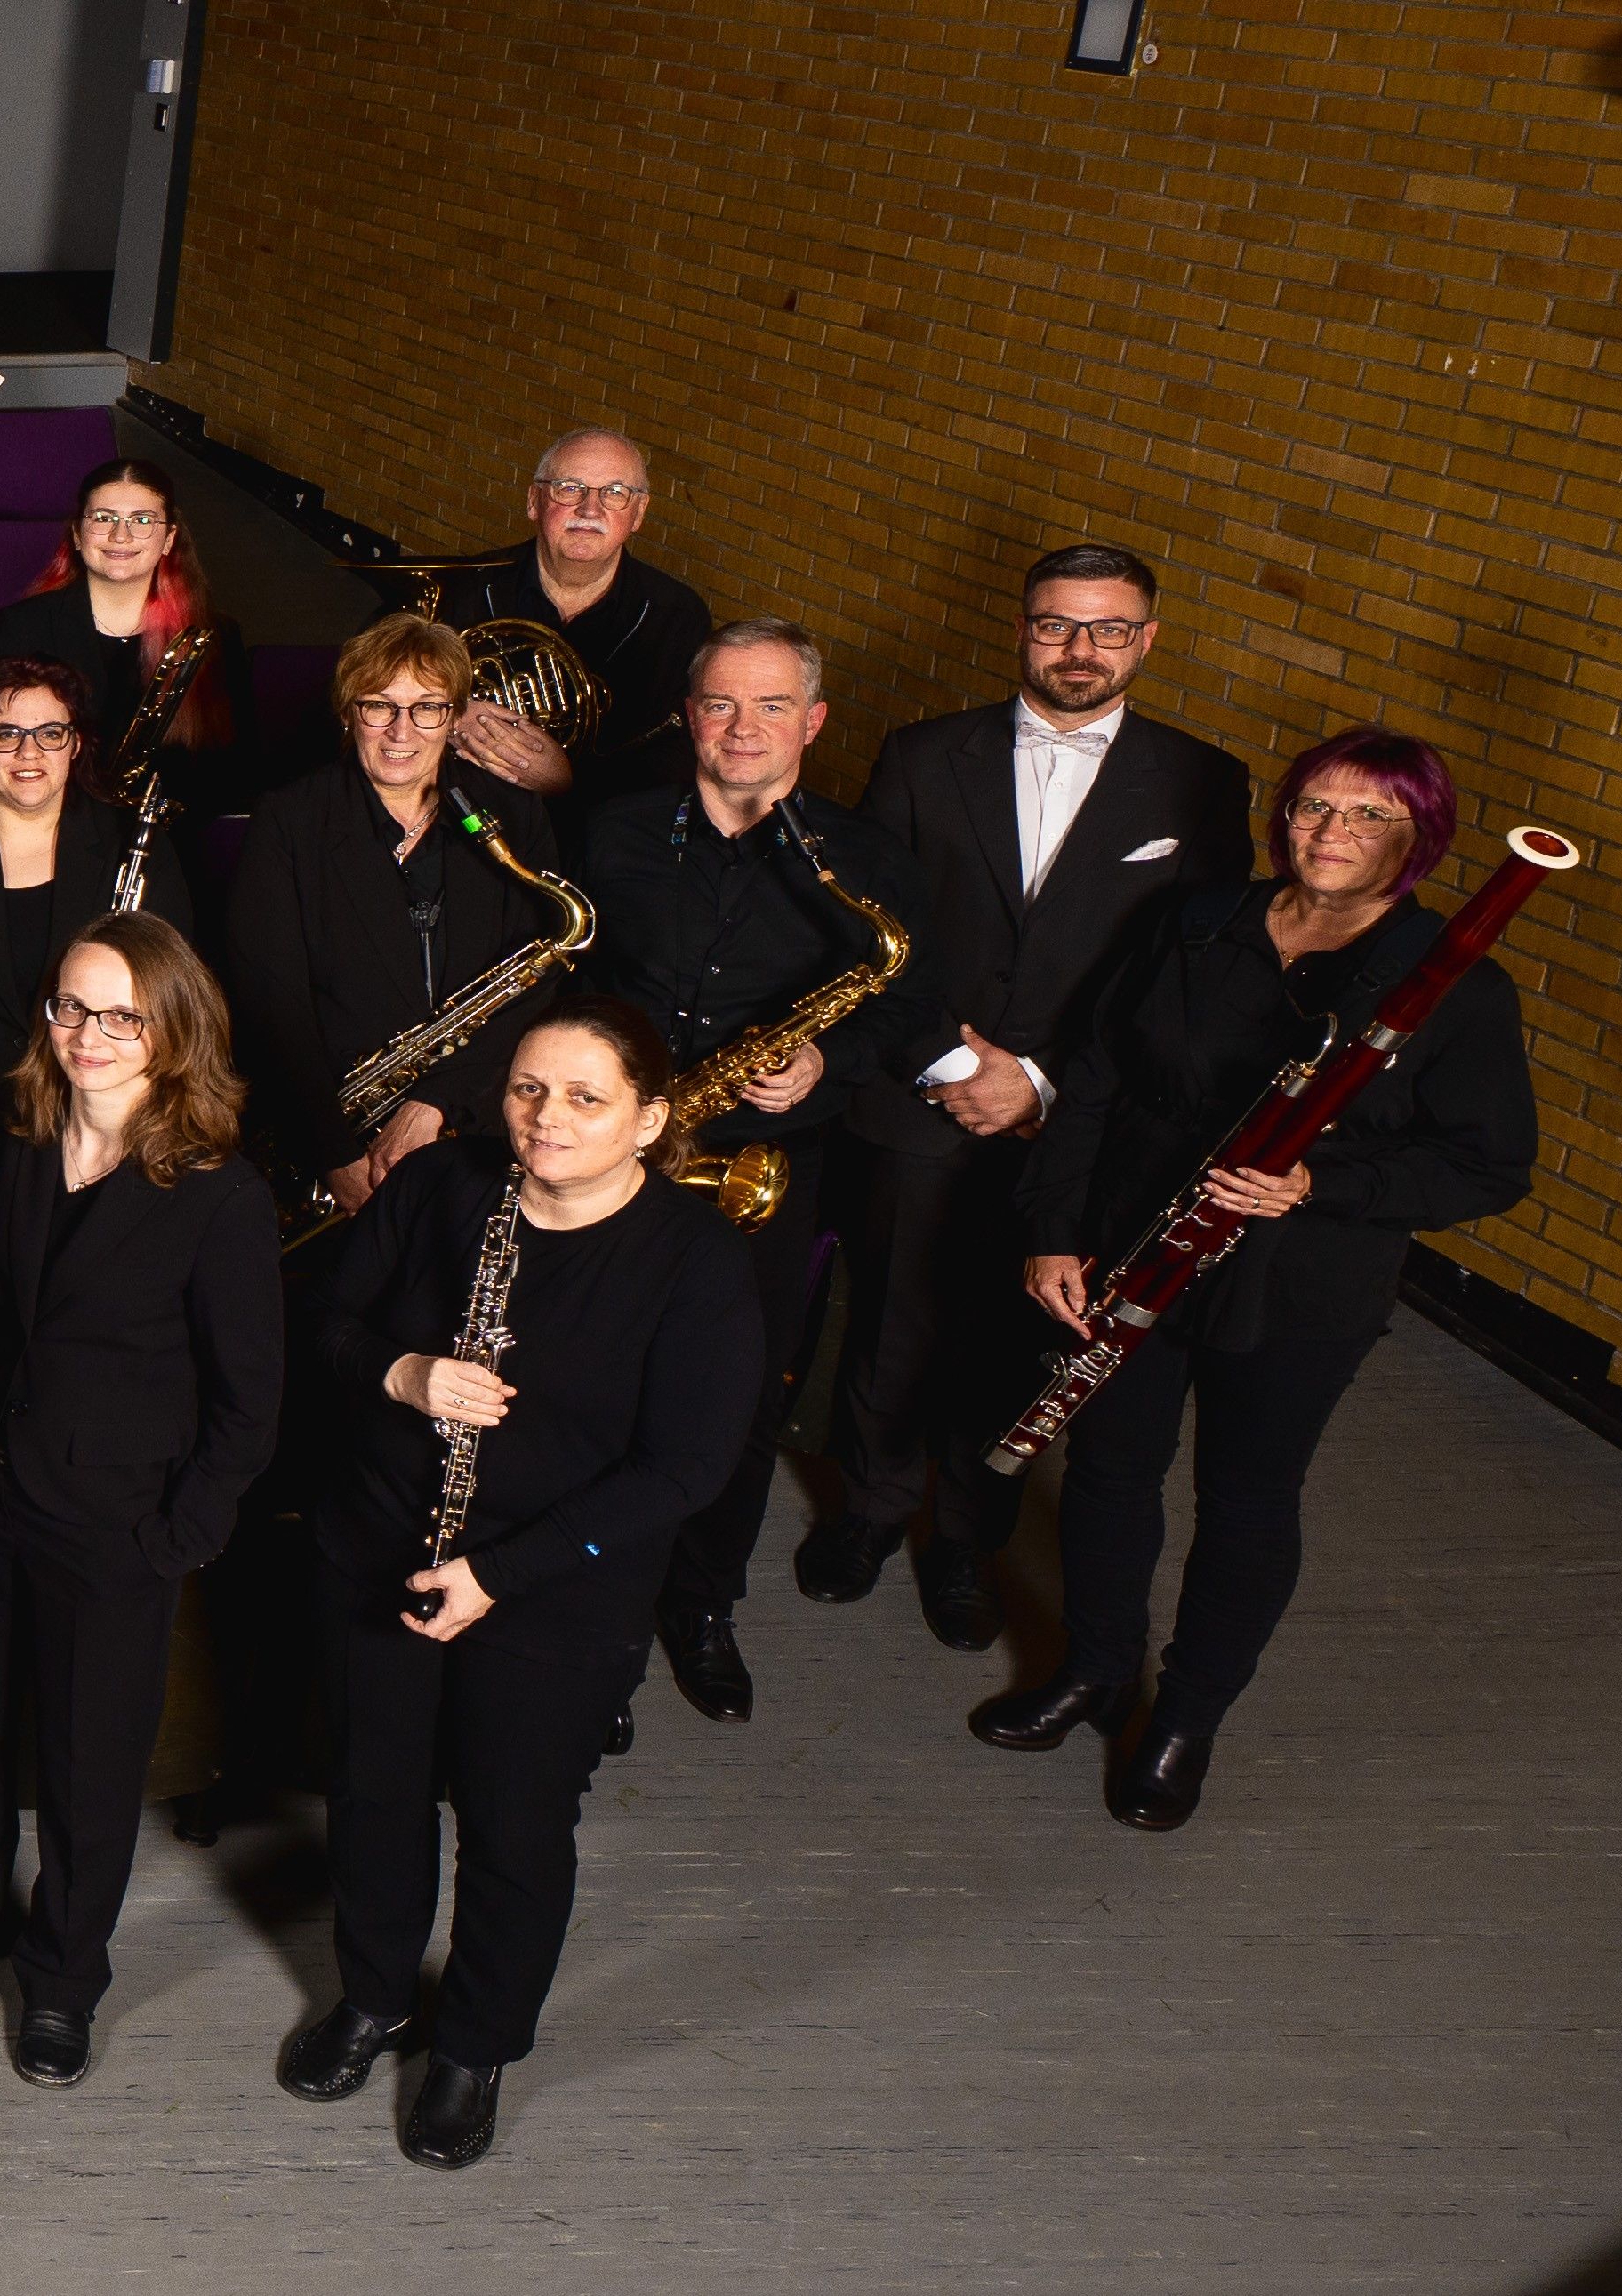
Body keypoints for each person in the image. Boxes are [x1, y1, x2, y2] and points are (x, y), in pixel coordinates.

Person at [982, 729, 1534, 1829]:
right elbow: (1096, 1078)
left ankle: (1185, 1718)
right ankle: (1095, 1666)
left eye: (1368, 814)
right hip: (1136, 1245)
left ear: (1419, 839)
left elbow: (1486, 1166)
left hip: (1299, 1286)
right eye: (1314, 805)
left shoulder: (1453, 986)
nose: (1330, 830)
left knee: (1246, 1498)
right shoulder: (1198, 920)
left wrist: (1319, 1180)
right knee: (1107, 1471)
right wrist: (1053, 1231)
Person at [285, 997, 763, 2170]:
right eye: (528, 1089)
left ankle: (474, 2045)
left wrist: (496, 1572)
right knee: (374, 1792)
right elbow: (322, 1316)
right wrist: (402, 1373)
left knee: (515, 1823)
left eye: (586, 1098)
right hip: (385, 1546)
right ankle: (375, 1994)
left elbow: (685, 1467)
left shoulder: (695, 1262)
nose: (547, 1118)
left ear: (648, 1120)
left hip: (553, 1589)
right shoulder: (441, 1186)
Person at [0, 910, 277, 2085]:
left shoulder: (221, 1194)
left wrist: (181, 1531)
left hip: (117, 1520)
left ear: (174, 1030)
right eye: (73, 1006)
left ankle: (63, 1976)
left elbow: (249, 1397)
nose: (90, 1033)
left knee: (91, 1760)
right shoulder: (12, 1137)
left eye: (123, 1015)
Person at [805, 543, 1251, 1650]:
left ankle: (967, 1537)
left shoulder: (1202, 782)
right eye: (1056, 624)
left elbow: (1186, 979)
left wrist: (1040, 1080)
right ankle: (868, 1509)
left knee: (1014, 1338)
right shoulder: (921, 753)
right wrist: (954, 1066)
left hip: (1078, 1116)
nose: (1079, 649)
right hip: (921, 1091)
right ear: (1020, 629)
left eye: (1108, 628)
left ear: (1146, 640)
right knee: (889, 1319)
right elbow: (868, 932)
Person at [567, 622, 927, 1728]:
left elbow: (906, 1012)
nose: (742, 727)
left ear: (811, 723)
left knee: (737, 1398)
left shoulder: (863, 861)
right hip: (606, 1155)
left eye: (771, 706)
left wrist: (825, 1061)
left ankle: (702, 1604)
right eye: (720, 704)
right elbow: (561, 977)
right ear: (689, 716)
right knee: (593, 1392)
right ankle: (592, 1625)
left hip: (759, 1169)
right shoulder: (613, 831)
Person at [221, 613, 574, 1244]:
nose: (401, 731)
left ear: (455, 715)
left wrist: (437, 1102)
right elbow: (270, 1004)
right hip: (330, 1141)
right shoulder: (291, 821)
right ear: (348, 712)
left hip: (476, 1124)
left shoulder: (513, 816)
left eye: (427, 708)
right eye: (379, 705)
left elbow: (534, 990)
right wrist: (335, 1154)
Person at [0, 657, 181, 1092]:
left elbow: (166, 994)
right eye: (7, 734)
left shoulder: (133, 843)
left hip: (91, 1095)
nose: (29, 752)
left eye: (50, 733)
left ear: (75, 744)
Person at [431, 429, 715, 830]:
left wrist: (569, 780)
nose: (590, 509)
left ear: (639, 513)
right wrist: (446, 710)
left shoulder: (679, 616)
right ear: (534, 501)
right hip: (455, 808)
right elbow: (371, 685)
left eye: (615, 493)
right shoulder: (461, 589)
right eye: (569, 488)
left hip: (599, 831)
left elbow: (680, 755)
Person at [0, 458, 230, 791]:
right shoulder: (20, 627)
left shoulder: (215, 636)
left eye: (142, 520)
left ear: (169, 539)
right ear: (77, 534)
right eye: (103, 518)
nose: (120, 536)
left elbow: (230, 772)